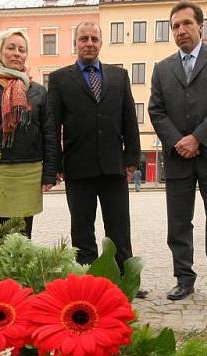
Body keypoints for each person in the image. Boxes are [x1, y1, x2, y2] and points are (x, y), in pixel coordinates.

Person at [149, 1, 207, 307]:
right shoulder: (162, 68)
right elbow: (156, 110)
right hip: (178, 158)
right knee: (178, 223)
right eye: (175, 26)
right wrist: (179, 141)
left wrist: (198, 138)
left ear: (201, 26)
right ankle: (183, 279)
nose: (181, 30)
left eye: (187, 24)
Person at [47, 22, 142, 278]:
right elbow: (53, 125)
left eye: (94, 39)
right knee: (81, 229)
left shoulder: (119, 76)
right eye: (83, 39)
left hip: (114, 165)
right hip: (77, 168)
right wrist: (54, 166)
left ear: (101, 43)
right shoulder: (59, 79)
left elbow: (129, 118)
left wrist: (132, 157)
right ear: (75, 43)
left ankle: (124, 276)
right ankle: (86, 278)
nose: (89, 43)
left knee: (119, 227)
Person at [0, 29, 57, 238]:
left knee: (24, 237)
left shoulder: (38, 90)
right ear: (0, 52)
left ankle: (21, 272)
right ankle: (0, 273)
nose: (17, 53)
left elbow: (49, 133)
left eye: (21, 50)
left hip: (28, 171)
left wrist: (49, 172)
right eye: (11, 48)